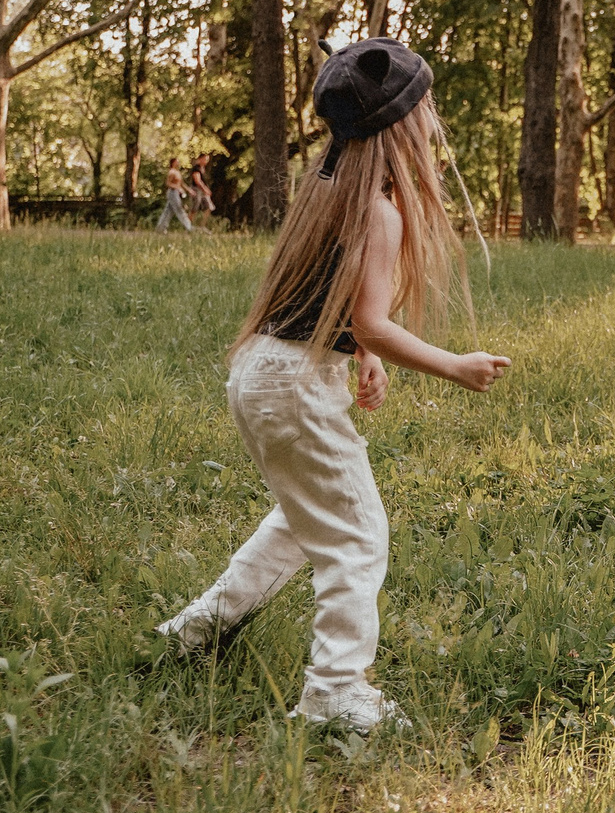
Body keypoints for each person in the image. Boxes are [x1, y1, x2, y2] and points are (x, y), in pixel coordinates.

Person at [155, 39, 511, 732]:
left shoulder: (329, 187)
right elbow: (371, 319)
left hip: (260, 372)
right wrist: (453, 365)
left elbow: (338, 308)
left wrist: (360, 355)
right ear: (402, 123)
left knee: (300, 521)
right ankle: (334, 692)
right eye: (426, 104)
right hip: (294, 385)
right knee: (357, 534)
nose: (433, 117)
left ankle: (195, 632)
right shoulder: (380, 208)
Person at [158, 160, 197, 232]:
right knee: (180, 209)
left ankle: (161, 228)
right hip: (172, 193)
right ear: (173, 163)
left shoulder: (177, 172)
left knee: (168, 211)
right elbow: (168, 183)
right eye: (177, 162)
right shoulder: (171, 172)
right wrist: (177, 188)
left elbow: (182, 183)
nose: (178, 163)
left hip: (177, 192)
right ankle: (189, 227)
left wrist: (189, 190)